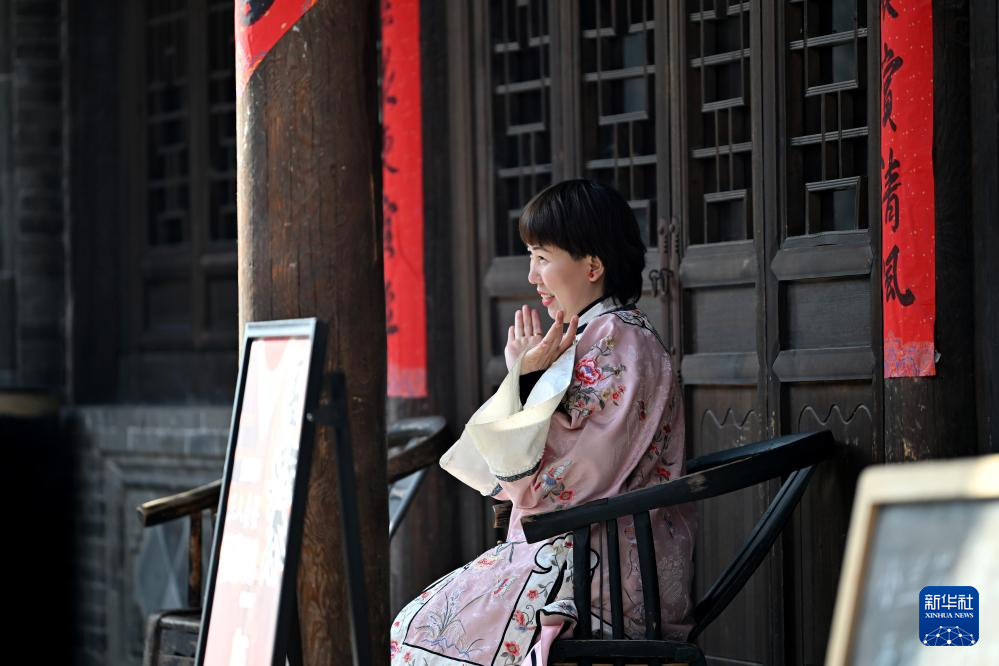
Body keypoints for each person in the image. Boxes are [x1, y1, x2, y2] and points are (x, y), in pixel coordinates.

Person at [389, 180, 695, 665]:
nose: (532, 276)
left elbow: (561, 485)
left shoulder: (619, 343)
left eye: (542, 258)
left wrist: (527, 381)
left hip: (600, 568)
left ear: (592, 266)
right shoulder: (597, 336)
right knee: (415, 627)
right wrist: (525, 375)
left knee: (419, 633)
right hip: (575, 550)